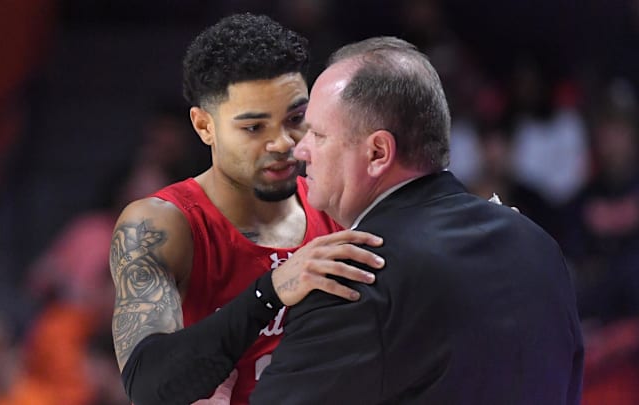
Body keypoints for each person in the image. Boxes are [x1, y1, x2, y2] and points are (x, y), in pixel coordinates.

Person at [250, 37, 585, 404]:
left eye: (317, 134)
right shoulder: (538, 246)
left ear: (378, 152)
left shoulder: (355, 277)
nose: (301, 150)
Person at [110, 13, 385, 405]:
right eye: (254, 128)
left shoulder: (342, 205)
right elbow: (148, 387)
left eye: (295, 119)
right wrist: (271, 291)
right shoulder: (162, 224)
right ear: (204, 126)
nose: (283, 143)